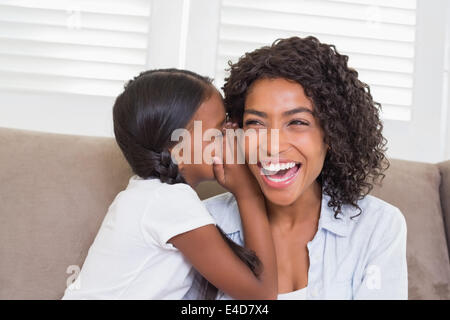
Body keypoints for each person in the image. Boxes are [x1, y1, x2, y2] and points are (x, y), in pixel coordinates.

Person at [184, 36, 408, 300]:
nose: (273, 145)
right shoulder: (202, 225)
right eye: (256, 123)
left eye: (298, 122)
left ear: (332, 135)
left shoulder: (376, 226)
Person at [61, 69, 278, 299]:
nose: (232, 137)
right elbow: (261, 296)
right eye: (218, 131)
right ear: (176, 149)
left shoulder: (151, 194)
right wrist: (248, 193)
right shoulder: (168, 201)